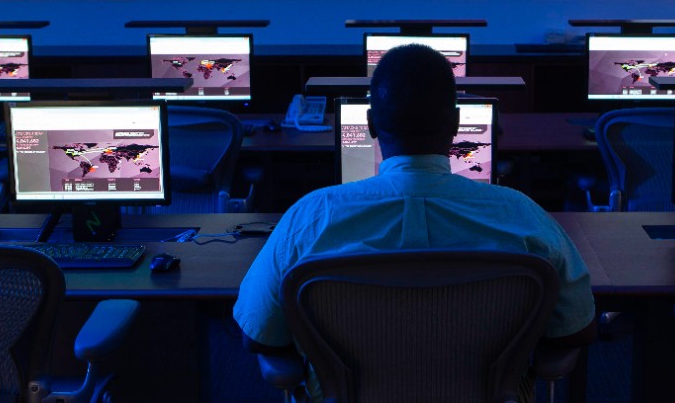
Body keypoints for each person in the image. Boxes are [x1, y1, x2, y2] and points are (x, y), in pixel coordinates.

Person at [233, 43, 596, 392]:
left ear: (372, 123)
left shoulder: (310, 217)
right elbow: (574, 329)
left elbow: (260, 335)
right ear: (456, 124)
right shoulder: (523, 214)